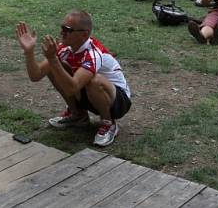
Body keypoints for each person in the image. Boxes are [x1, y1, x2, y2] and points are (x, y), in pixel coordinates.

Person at [15, 11, 131, 147]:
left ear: (84, 34)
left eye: (67, 30)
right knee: (55, 67)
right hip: (90, 94)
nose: (62, 32)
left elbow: (72, 88)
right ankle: (78, 116)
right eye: (62, 28)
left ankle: (108, 123)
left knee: (94, 81)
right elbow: (36, 75)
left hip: (118, 102)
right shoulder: (65, 48)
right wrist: (29, 52)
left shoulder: (93, 53)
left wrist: (53, 59)